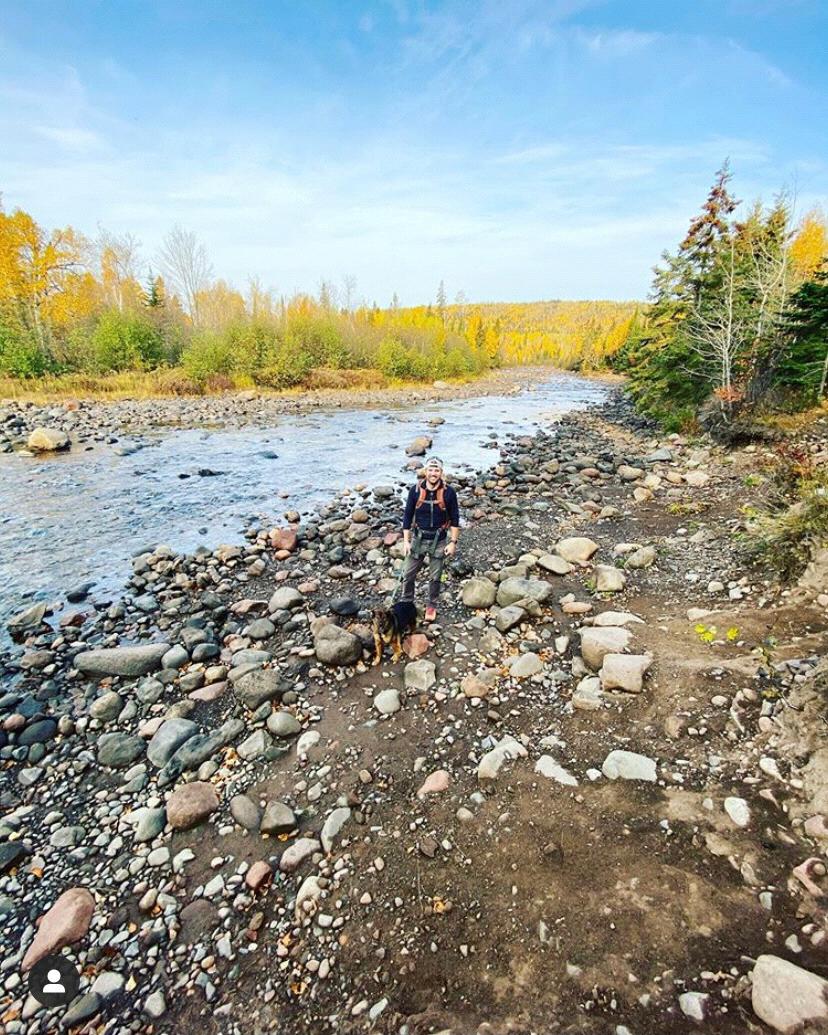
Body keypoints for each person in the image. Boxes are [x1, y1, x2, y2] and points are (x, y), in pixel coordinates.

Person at [400, 455, 460, 622]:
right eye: (431, 470)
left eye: (437, 470)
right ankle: (407, 602)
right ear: (425, 471)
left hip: (439, 540)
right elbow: (407, 516)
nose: (433, 473)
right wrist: (406, 541)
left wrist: (453, 542)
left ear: (441, 472)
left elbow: (455, 518)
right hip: (418, 539)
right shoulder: (415, 490)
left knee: (435, 577)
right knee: (408, 574)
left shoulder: (449, 493)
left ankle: (432, 605)